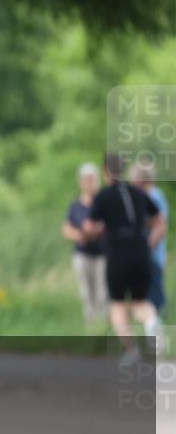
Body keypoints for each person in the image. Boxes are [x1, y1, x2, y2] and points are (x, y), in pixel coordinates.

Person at [83, 154, 165, 365]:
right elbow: (159, 222)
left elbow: (89, 227)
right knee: (141, 301)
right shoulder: (138, 193)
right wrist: (151, 242)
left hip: (118, 253)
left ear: (105, 171)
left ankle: (132, 348)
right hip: (140, 252)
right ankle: (153, 323)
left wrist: (97, 232)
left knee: (118, 305)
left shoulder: (104, 196)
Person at [62, 163, 108, 322]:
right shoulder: (76, 205)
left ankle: (102, 321)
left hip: (102, 252)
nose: (89, 183)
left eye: (92, 179)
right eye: (86, 180)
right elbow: (67, 229)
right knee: (86, 291)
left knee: (102, 290)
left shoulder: (103, 201)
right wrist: (80, 235)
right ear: (81, 182)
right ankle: (90, 320)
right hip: (83, 252)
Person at [131, 163, 169, 320]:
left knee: (154, 296)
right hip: (143, 254)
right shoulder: (141, 196)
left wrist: (146, 247)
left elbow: (161, 227)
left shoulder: (155, 197)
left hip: (152, 255)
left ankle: (157, 330)